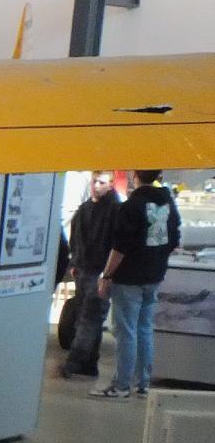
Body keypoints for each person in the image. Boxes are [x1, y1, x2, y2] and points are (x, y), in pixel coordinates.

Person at [92, 170, 181, 399]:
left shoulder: (132, 206)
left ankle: (122, 385)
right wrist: (156, 258)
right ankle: (143, 384)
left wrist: (107, 275)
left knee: (126, 332)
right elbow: (174, 239)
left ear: (135, 175)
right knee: (144, 329)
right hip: (154, 275)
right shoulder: (168, 202)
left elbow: (120, 247)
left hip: (129, 278)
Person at [58, 172, 120, 378]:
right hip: (85, 269)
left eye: (101, 182)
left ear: (110, 184)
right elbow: (76, 237)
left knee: (88, 318)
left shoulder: (114, 210)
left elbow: (116, 244)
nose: (96, 185)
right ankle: (89, 364)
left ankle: (76, 361)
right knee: (89, 317)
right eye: (94, 181)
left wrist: (107, 273)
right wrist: (75, 261)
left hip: (99, 271)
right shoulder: (86, 208)